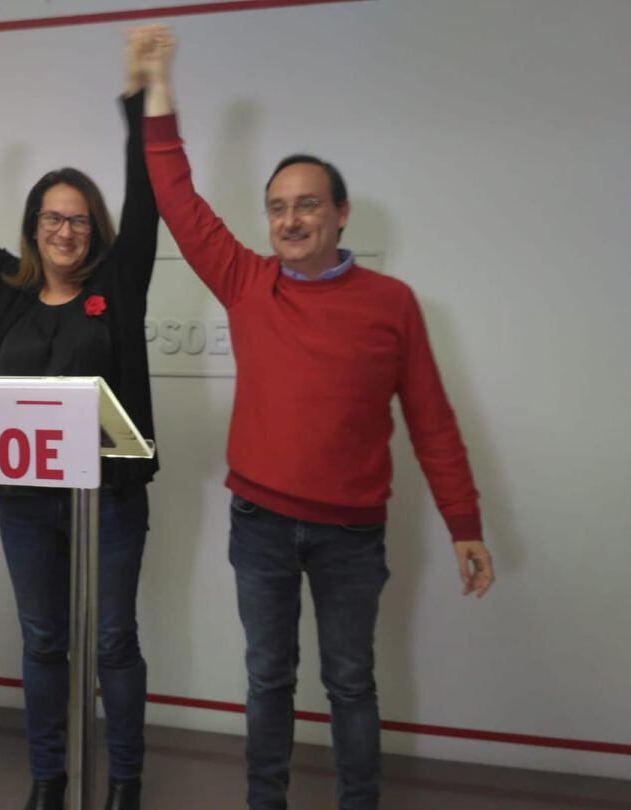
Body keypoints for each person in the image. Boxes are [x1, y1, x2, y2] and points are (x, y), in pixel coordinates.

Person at [132, 25, 494, 810]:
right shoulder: (246, 282)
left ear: (340, 214)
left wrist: (465, 523)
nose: (290, 220)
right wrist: (159, 89)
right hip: (259, 520)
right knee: (268, 679)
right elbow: (179, 201)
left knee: (351, 684)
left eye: (306, 206)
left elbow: (432, 420)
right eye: (276, 209)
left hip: (351, 535)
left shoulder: (391, 305)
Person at [0, 36, 159, 810]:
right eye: (52, 218)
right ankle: (48, 778)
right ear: (33, 225)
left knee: (112, 642)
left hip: (109, 498)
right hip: (25, 500)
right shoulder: (6, 293)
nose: (66, 232)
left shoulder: (120, 283)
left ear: (94, 229)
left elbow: (146, 198)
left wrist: (137, 102)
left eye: (78, 220)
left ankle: (125, 784)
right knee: (45, 642)